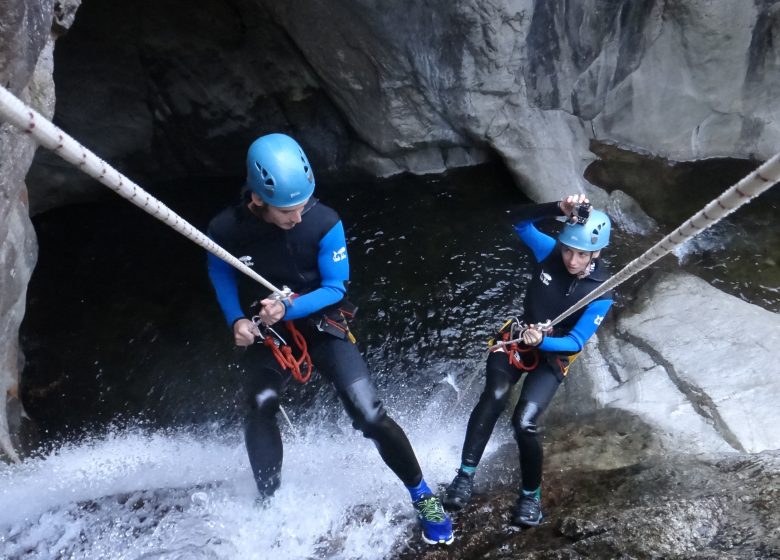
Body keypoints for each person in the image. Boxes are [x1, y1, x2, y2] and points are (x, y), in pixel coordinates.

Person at [206, 133, 453, 545]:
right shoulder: (226, 228)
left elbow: (336, 288)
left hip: (321, 323)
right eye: (288, 209)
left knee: (369, 414)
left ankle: (422, 494)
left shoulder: (324, 222)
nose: (298, 216)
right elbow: (220, 269)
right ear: (258, 199)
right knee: (260, 403)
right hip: (269, 330)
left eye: (303, 203)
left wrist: (289, 308)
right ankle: (269, 501)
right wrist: (236, 320)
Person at [442, 193, 613, 526]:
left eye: (580, 254)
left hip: (553, 357)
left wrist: (545, 340)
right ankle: (464, 475)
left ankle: (530, 497)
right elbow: (515, 217)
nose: (572, 260)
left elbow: (575, 341)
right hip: (516, 340)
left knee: (525, 422)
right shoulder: (549, 252)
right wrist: (556, 209)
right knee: (495, 395)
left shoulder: (601, 293)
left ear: (597, 252)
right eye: (568, 250)